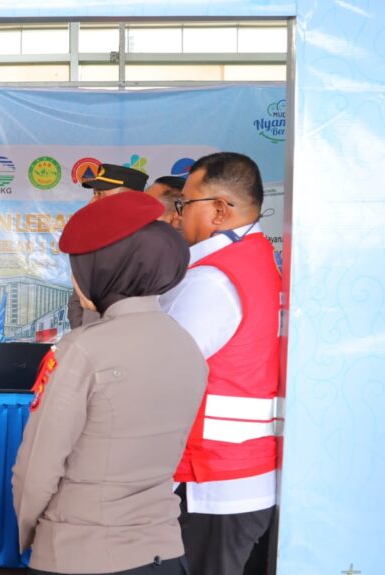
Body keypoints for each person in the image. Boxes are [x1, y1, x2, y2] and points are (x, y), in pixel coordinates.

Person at [12, 191, 207, 575]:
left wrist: (31, 537)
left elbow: (35, 473)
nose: (74, 278)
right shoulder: (186, 344)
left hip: (82, 554)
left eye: (79, 265)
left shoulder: (82, 350)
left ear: (104, 270)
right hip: (165, 552)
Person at [160, 152, 281, 575]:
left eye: (183, 204)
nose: (176, 216)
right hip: (236, 474)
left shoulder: (213, 279)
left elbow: (162, 374)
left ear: (218, 210)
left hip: (212, 480)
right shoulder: (256, 258)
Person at [67, 163, 149, 328]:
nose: (92, 201)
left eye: (100, 194)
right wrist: (82, 332)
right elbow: (77, 300)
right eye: (94, 193)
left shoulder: (149, 245)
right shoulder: (95, 242)